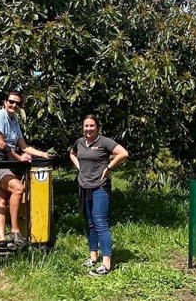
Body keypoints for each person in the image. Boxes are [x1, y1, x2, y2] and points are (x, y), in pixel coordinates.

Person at [0, 90, 51, 249]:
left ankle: (0, 240)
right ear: (4, 102)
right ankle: (14, 231)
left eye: (17, 103)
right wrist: (18, 157)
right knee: (18, 189)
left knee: (1, 199)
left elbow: (24, 146)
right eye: (11, 101)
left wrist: (43, 154)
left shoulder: (14, 121)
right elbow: (0, 143)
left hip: (5, 162)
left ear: (21, 106)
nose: (14, 105)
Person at [70, 114, 128, 277]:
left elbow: (123, 153)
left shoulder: (104, 142)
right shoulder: (80, 142)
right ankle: (93, 257)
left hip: (100, 186)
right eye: (86, 126)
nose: (88, 129)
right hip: (84, 186)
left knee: (100, 222)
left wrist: (108, 168)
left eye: (92, 126)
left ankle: (106, 264)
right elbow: (72, 153)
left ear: (97, 127)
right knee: (90, 223)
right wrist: (79, 167)